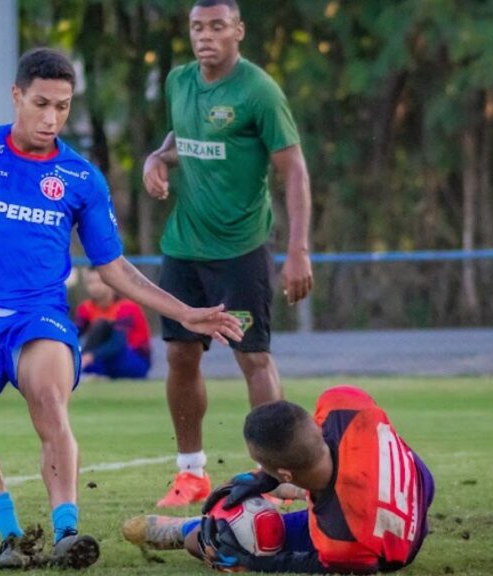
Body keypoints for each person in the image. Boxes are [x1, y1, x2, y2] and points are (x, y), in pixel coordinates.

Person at [0, 48, 244, 570]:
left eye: (63, 107)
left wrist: (184, 311)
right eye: (41, 104)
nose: (51, 118)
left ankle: (68, 530)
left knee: (48, 395)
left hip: (37, 315)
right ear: (17, 96)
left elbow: (113, 267)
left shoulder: (80, 178)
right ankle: (9, 537)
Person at [142, 0, 315, 507]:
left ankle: (277, 473)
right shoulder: (178, 82)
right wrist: (156, 157)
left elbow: (295, 169)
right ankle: (190, 472)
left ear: (238, 30)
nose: (205, 36)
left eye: (217, 26)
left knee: (253, 357)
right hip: (184, 247)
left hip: (241, 250)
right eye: (197, 27)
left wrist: (299, 249)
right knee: (179, 355)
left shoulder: (258, 91)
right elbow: (185, 140)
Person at [122, 385, 435, 574]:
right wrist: (262, 479)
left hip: (392, 540)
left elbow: (322, 566)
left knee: (234, 540)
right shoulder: (342, 402)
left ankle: (191, 532)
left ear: (285, 474)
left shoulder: (340, 540)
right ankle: (201, 527)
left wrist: (253, 563)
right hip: (416, 480)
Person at [75, 268, 152, 380]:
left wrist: (88, 357)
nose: (95, 286)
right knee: (98, 327)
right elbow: (74, 333)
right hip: (102, 358)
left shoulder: (127, 307)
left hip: (133, 358)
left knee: (102, 325)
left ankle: (90, 369)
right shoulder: (85, 308)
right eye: (90, 282)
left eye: (99, 281)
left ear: (111, 282)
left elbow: (118, 343)